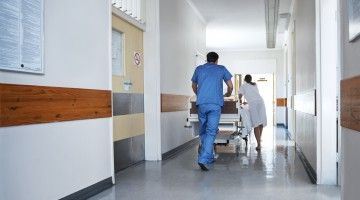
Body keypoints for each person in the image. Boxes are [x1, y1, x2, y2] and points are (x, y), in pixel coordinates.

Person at [191, 52, 233, 171]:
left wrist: (200, 94)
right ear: (217, 60)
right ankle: (203, 159)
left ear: (207, 59)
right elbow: (230, 86)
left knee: (203, 131)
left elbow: (193, 85)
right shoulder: (221, 69)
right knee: (211, 132)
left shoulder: (199, 69)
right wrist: (228, 94)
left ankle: (208, 157)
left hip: (201, 104)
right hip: (215, 104)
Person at [238, 74, 267, 151]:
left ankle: (258, 144)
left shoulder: (243, 86)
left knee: (256, 124)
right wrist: (247, 103)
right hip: (261, 102)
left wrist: (239, 103)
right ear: (250, 79)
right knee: (260, 123)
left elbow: (239, 97)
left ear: (244, 79)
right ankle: (259, 141)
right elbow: (254, 97)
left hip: (254, 104)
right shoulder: (254, 84)